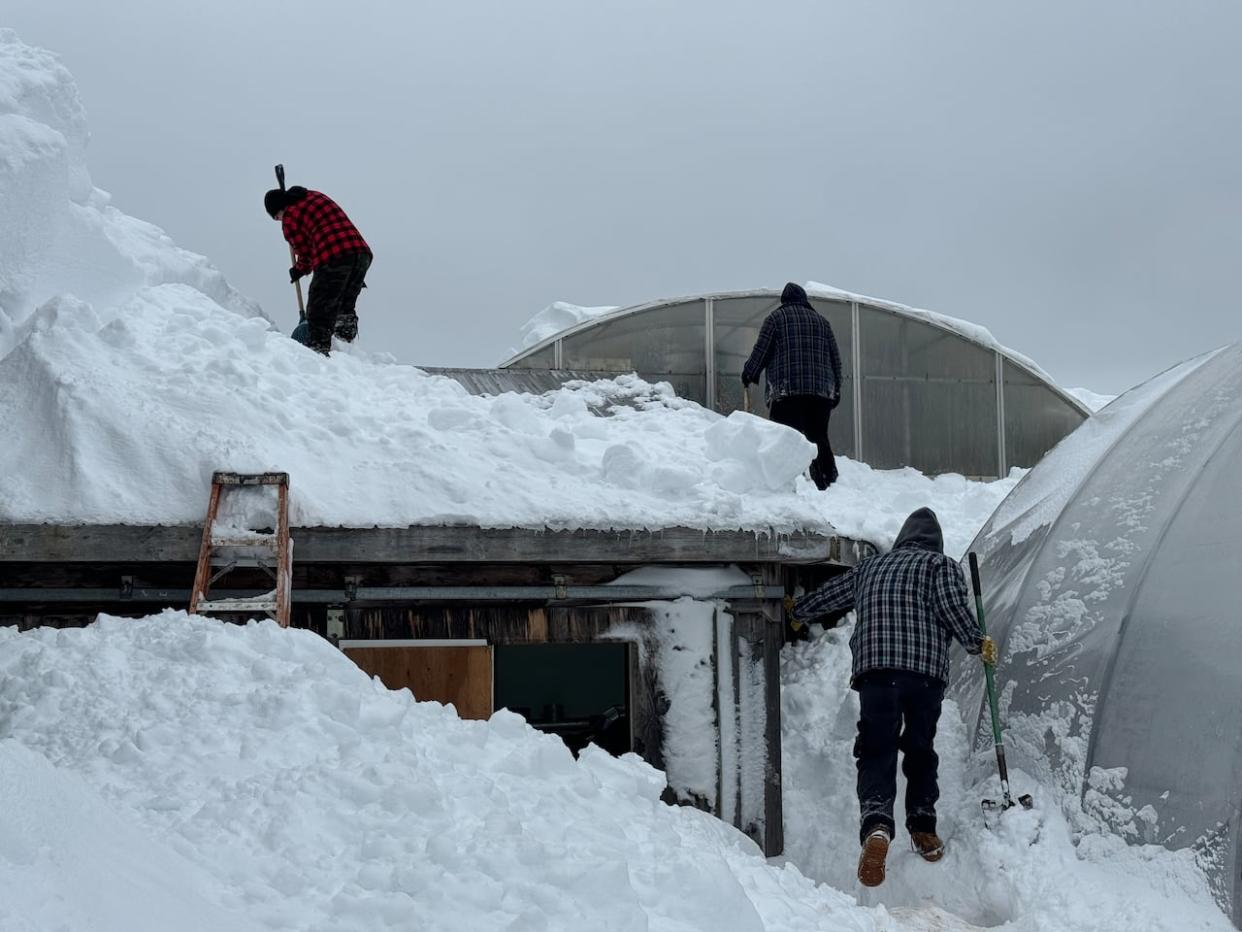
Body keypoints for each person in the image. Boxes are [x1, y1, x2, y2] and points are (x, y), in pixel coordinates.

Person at [786, 507, 997, 887]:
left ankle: (877, 825)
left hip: (878, 676)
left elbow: (832, 594)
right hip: (924, 676)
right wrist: (976, 641)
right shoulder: (939, 565)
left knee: (876, 747)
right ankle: (922, 827)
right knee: (919, 749)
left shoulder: (871, 568)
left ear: (902, 537)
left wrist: (799, 611)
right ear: (935, 542)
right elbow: (951, 608)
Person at [741, 282, 843, 490]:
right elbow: (836, 359)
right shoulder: (822, 322)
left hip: (787, 391)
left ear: (784, 301)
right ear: (805, 299)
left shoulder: (776, 319)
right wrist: (836, 389)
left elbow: (761, 350)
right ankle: (827, 483)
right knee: (818, 436)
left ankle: (787, 485)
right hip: (821, 392)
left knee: (786, 437)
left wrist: (749, 373)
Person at [264, 185, 372, 355]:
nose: (279, 221)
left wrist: (298, 270)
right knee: (344, 306)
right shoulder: (314, 196)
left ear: (278, 210)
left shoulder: (289, 218)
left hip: (334, 255)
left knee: (318, 309)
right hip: (360, 254)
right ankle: (347, 350)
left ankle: (318, 353)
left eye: (276, 217)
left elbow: (305, 254)